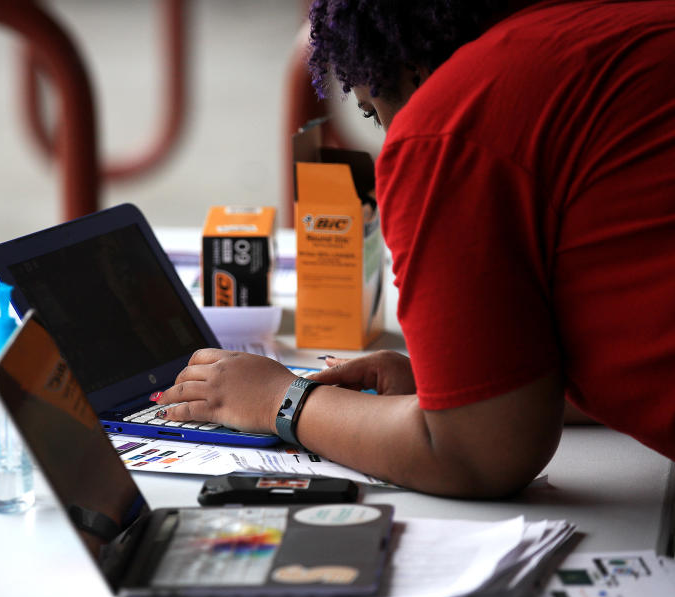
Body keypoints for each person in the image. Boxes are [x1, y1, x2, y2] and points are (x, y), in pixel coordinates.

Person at [157, 0, 675, 498]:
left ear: (409, 68)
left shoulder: (452, 121)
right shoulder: (626, 29)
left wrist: (278, 398)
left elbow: (476, 453)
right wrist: (471, 383)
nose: (390, 133)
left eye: (373, 113)